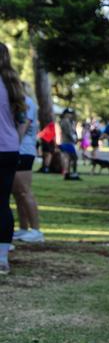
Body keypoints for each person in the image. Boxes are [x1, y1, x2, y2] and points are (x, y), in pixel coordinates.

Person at [0, 44, 27, 274]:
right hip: (9, 150)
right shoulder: (13, 85)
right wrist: (14, 142)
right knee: (3, 203)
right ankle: (2, 258)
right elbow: (22, 120)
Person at [13, 83, 43, 243]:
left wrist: (13, 147)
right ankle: (24, 228)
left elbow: (23, 126)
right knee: (17, 193)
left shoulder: (27, 103)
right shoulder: (18, 102)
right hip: (18, 150)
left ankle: (36, 230)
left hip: (23, 151)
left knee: (24, 191)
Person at [57, 108, 81, 180]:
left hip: (67, 142)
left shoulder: (68, 121)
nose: (70, 115)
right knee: (74, 158)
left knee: (69, 158)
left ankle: (68, 174)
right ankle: (72, 174)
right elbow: (68, 133)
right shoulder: (66, 121)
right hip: (67, 142)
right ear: (65, 114)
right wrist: (74, 140)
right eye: (69, 113)